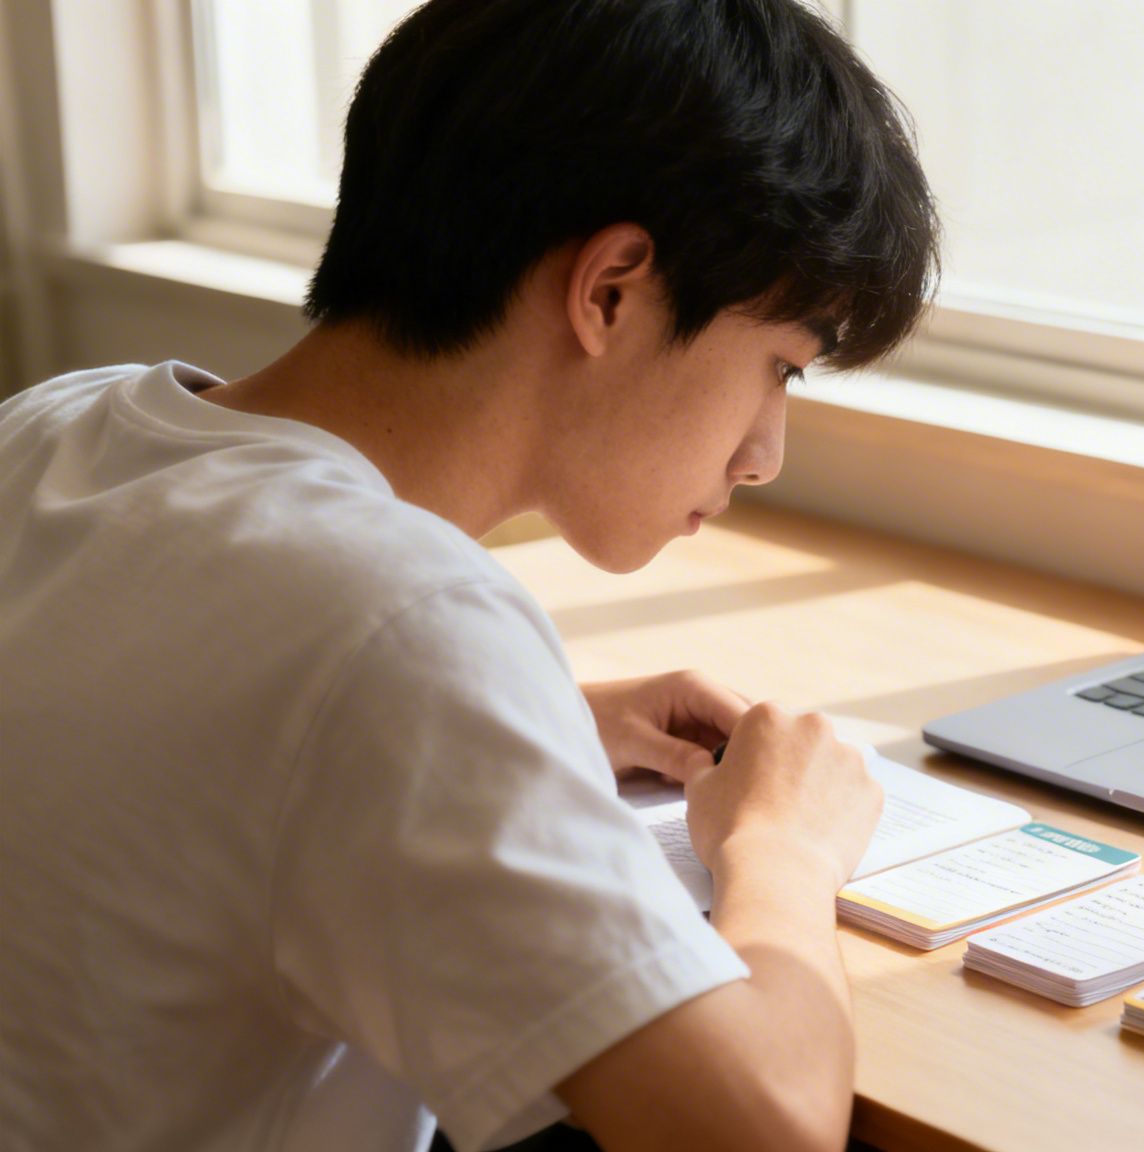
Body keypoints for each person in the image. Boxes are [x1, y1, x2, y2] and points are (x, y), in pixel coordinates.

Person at [0, 0, 938, 1149]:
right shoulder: (397, 630)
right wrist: (785, 850)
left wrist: (546, 721)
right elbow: (765, 1131)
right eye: (779, 367)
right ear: (611, 291)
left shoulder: (59, 424)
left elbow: (162, 711)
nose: (763, 454)